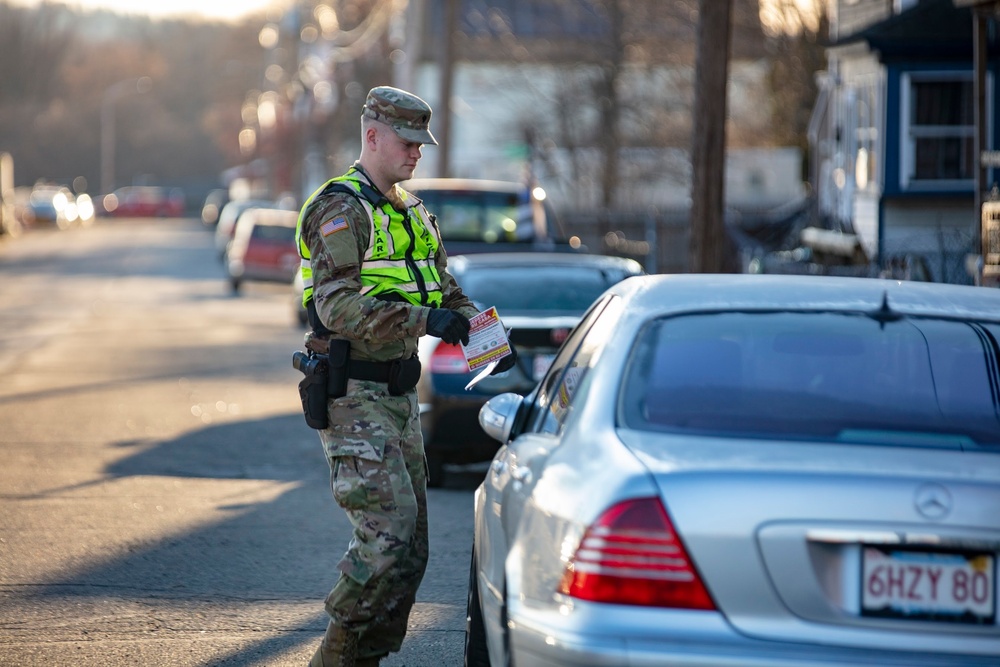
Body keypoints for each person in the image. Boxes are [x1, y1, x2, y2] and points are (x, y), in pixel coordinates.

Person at [294, 85, 516, 667]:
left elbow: (446, 291)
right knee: (385, 544)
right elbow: (335, 307)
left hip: (397, 394)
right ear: (372, 136)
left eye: (423, 143)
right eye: (408, 141)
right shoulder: (340, 209)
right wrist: (428, 320)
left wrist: (484, 335)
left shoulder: (414, 213)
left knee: (411, 552)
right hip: (354, 392)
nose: (418, 154)